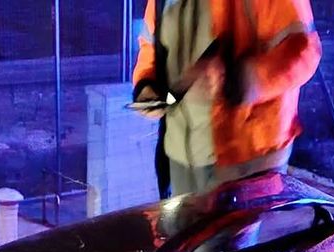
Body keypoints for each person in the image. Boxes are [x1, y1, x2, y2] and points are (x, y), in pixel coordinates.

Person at [132, 0, 322, 199]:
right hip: (179, 158)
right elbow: (149, 44)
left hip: (247, 163)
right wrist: (146, 84)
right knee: (185, 219)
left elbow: (304, 50)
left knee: (234, 220)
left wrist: (239, 80)